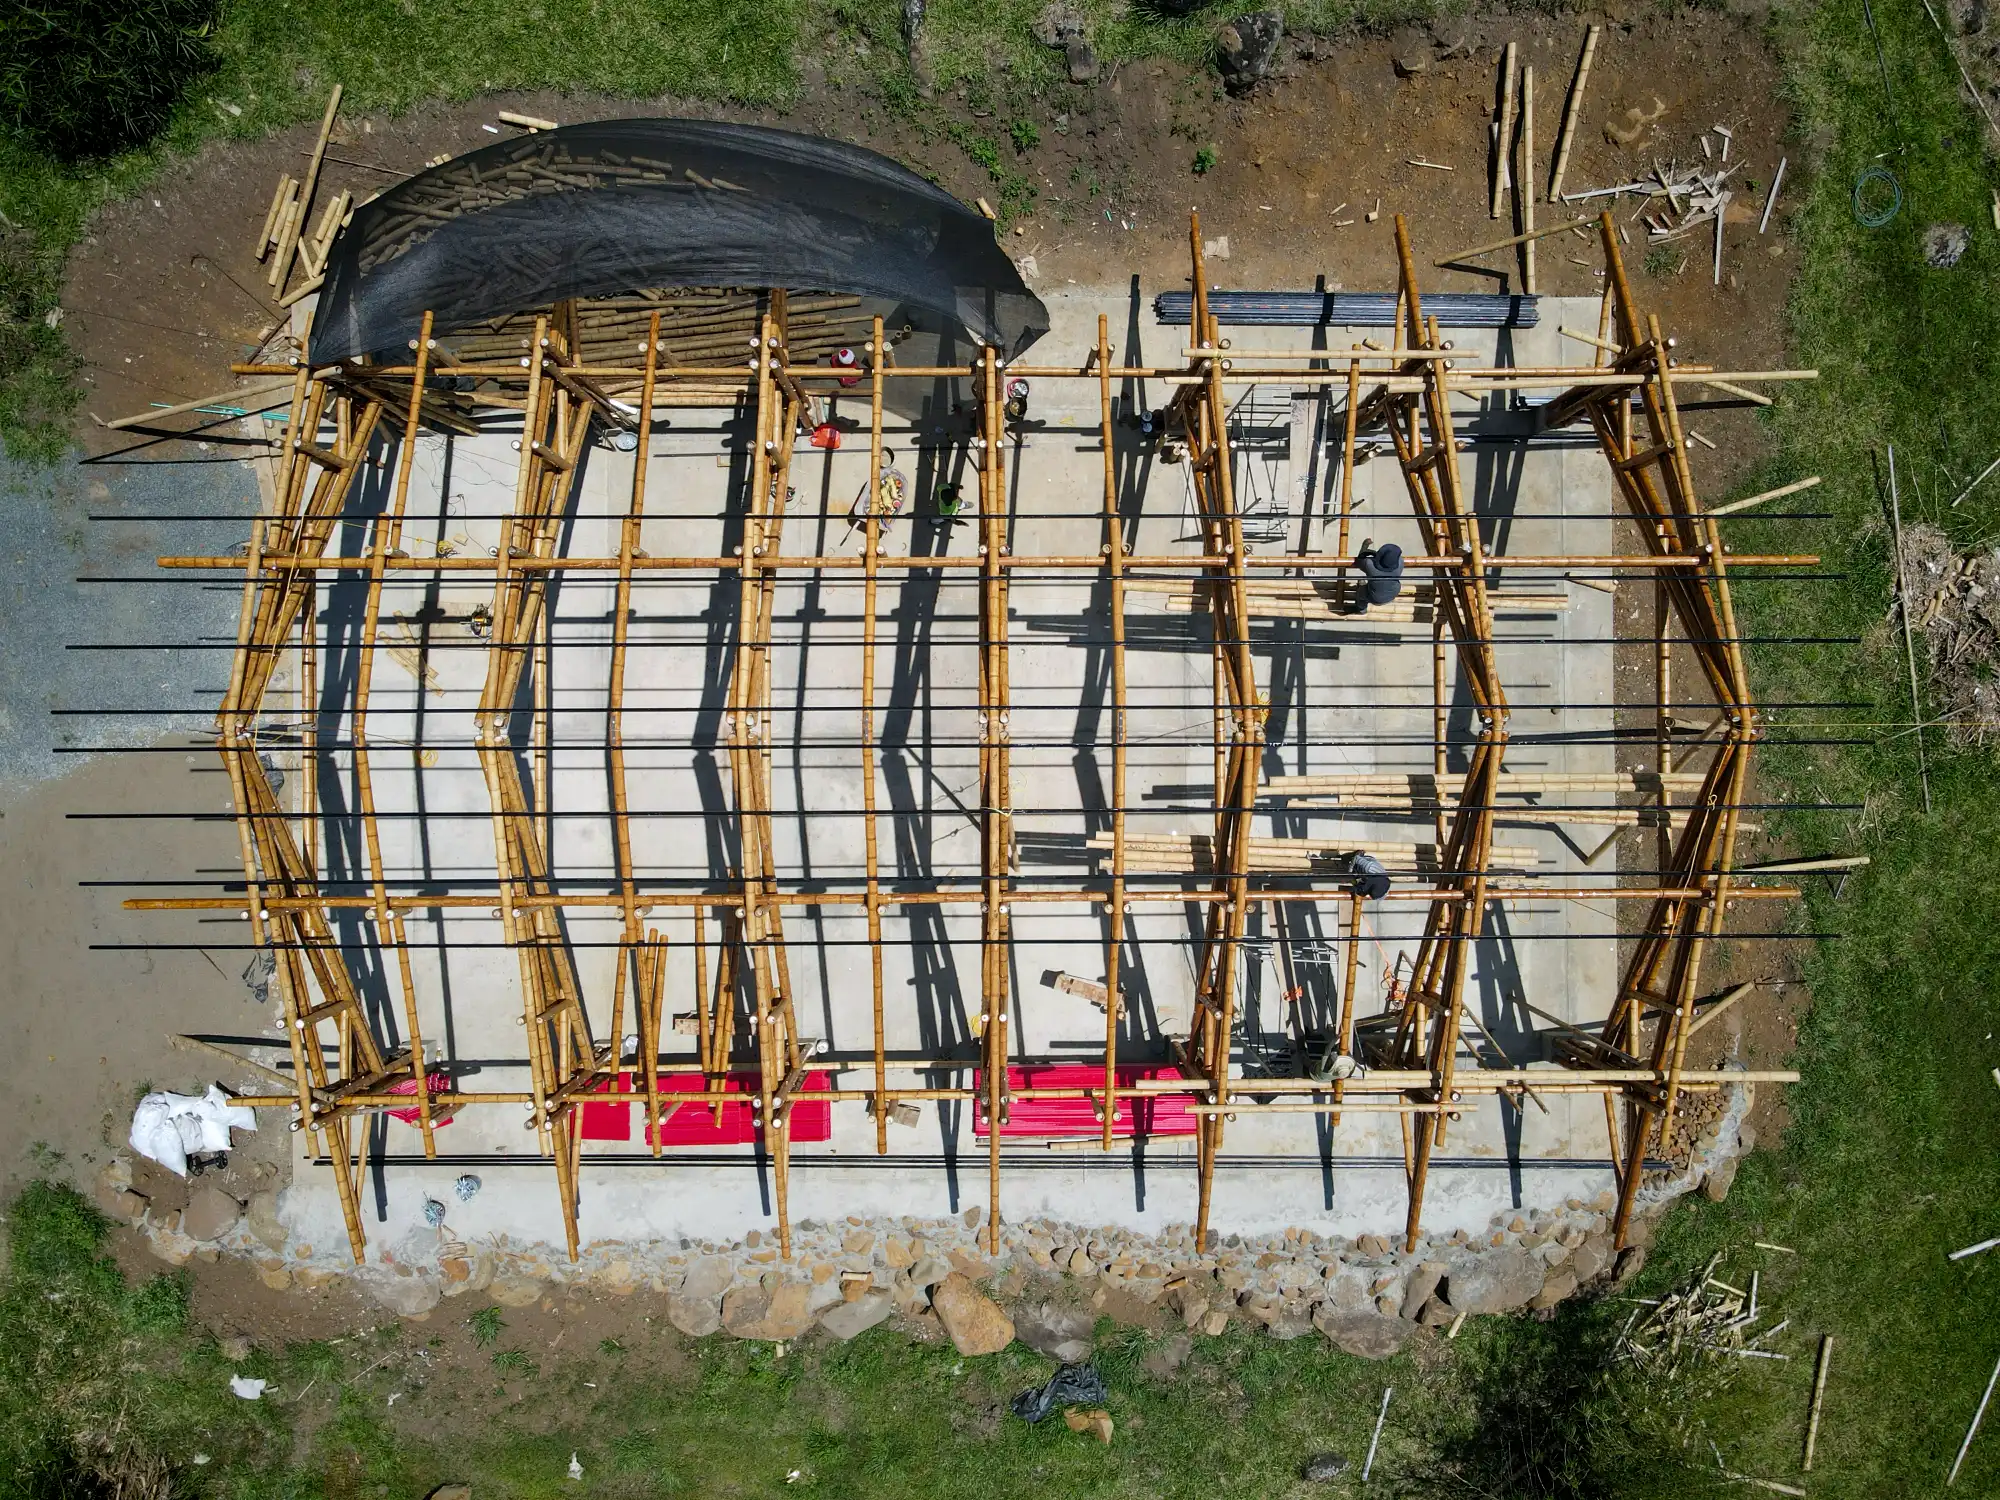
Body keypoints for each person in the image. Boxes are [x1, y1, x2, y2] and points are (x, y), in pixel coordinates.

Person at [1349, 537, 1405, 614]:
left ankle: (1362, 609)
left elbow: (1359, 562)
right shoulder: (1400, 563)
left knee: (1360, 594)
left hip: (1375, 598)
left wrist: (1364, 547)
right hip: (1393, 593)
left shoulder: (1369, 565)